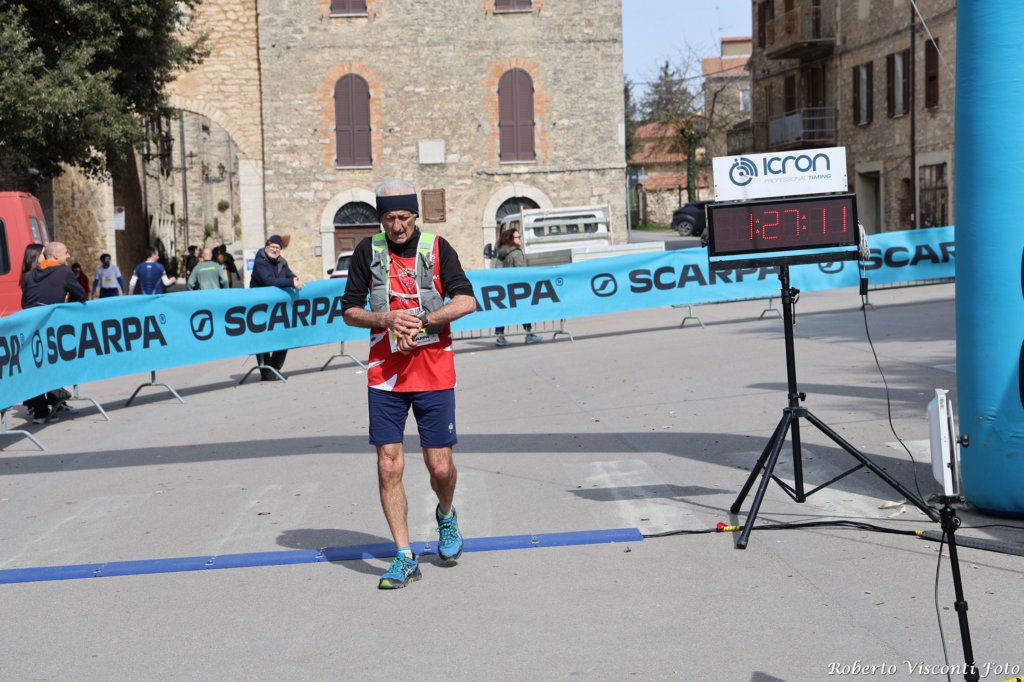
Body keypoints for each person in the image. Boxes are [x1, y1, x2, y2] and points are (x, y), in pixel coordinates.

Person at [341, 177, 476, 589]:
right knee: (388, 464)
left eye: (403, 217)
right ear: (380, 219)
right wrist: (386, 319)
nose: (396, 226)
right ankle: (404, 555)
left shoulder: (437, 247)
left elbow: (466, 300)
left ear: (415, 215)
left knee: (440, 465)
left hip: (433, 369)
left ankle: (446, 515)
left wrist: (421, 322)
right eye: (388, 218)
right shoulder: (367, 251)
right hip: (385, 374)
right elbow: (349, 310)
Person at [21, 242, 87, 423]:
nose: (69, 256)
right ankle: (55, 402)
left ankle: (41, 411)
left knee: (36, 368)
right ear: (56, 256)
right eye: (66, 252)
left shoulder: (30, 275)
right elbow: (81, 295)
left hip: (31, 327)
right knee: (53, 365)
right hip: (50, 328)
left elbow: (24, 302)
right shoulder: (64, 272)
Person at [250, 235, 303, 380]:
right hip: (259, 308)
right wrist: (291, 282)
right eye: (272, 247)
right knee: (263, 338)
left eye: (278, 248)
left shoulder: (282, 262)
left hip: (277, 307)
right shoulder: (260, 261)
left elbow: (290, 275)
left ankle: (274, 368)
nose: (275, 250)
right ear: (267, 246)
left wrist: (296, 280)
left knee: (284, 334)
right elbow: (269, 281)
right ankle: (266, 372)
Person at [493, 227, 542, 346]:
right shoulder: (516, 253)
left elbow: (497, 270)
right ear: (511, 239)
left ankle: (500, 336)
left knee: (504, 311)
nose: (520, 239)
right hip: (518, 288)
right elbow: (522, 272)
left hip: (504, 288)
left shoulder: (500, 254)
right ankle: (529, 334)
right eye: (518, 237)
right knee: (523, 310)